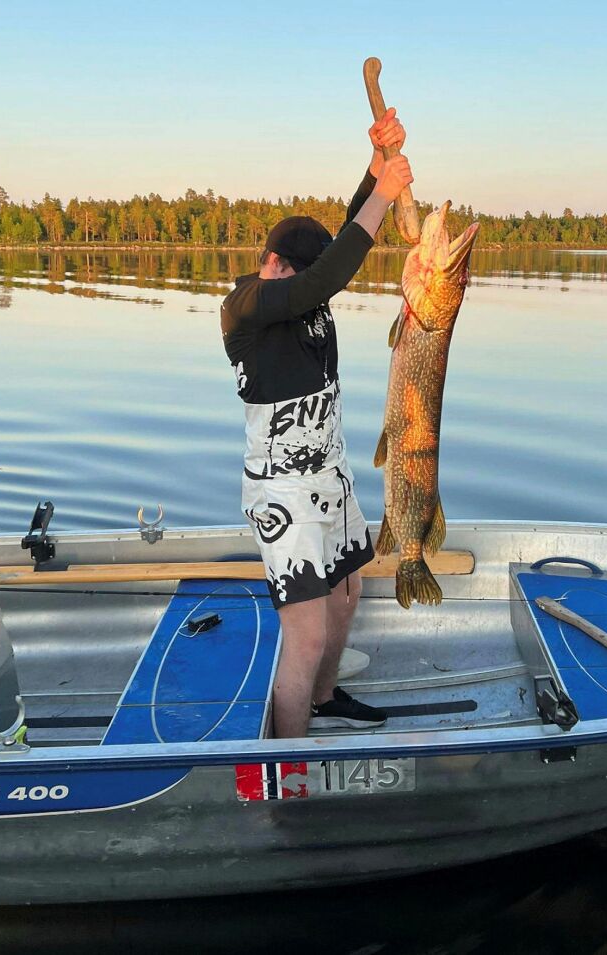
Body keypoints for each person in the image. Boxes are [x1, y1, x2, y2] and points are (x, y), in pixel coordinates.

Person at [221, 108, 412, 738]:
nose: (313, 287)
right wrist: (386, 197)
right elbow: (326, 275)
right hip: (283, 491)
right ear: (271, 261)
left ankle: (326, 699)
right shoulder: (246, 303)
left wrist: (377, 165)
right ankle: (289, 765)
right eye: (299, 275)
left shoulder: (308, 287)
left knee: (345, 597)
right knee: (304, 637)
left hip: (330, 472)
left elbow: (329, 263)